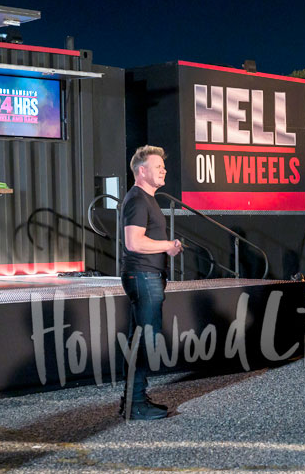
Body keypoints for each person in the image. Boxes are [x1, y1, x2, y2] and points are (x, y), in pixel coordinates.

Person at [120, 145, 183, 420]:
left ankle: (133, 401)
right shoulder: (137, 199)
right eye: (158, 167)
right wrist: (167, 245)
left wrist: (166, 247)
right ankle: (135, 404)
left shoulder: (146, 199)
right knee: (144, 341)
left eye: (164, 167)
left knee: (140, 341)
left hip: (147, 277)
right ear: (142, 171)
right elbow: (133, 242)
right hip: (143, 277)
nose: (164, 170)